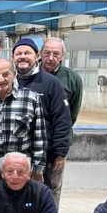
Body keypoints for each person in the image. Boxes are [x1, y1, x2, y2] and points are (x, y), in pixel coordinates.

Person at [13, 38, 72, 202]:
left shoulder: (50, 83)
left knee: (41, 196)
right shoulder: (9, 81)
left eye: (27, 53)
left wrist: (60, 152)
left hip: (42, 155)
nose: (23, 57)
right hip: (14, 152)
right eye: (19, 53)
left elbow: (63, 118)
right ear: (13, 57)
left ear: (36, 56)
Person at [0, 58, 46, 193]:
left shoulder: (31, 97)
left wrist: (38, 167)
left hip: (21, 156)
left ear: (14, 74)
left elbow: (39, 135)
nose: (1, 79)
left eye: (5, 74)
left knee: (20, 200)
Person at [40, 38, 83, 208]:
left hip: (55, 144)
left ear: (62, 55)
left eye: (55, 54)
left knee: (53, 186)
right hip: (30, 142)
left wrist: (61, 149)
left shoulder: (72, 79)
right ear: (40, 54)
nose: (50, 57)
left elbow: (71, 116)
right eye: (47, 53)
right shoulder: (29, 74)